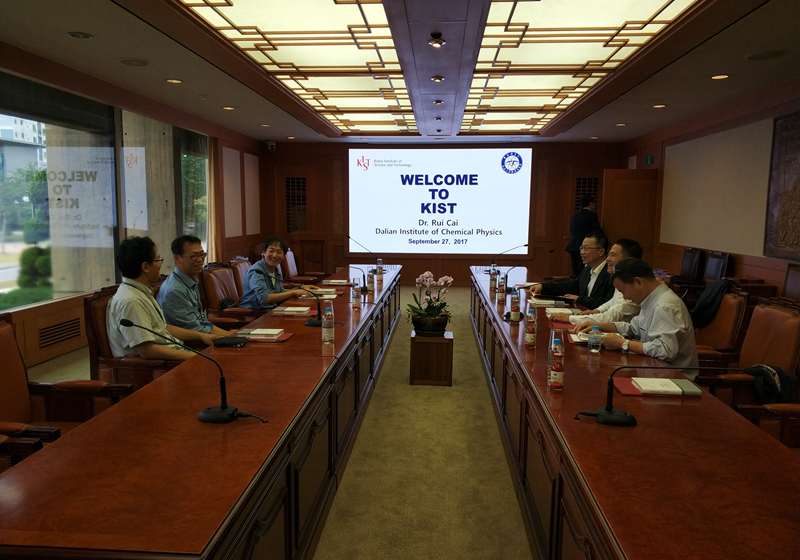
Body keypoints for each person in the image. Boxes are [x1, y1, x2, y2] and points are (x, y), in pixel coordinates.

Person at [106, 236, 220, 361]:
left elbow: (162, 328)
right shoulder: (131, 300)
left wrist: (201, 336)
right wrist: (199, 357)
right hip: (162, 364)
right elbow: (147, 351)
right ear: (145, 267)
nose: (161, 264)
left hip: (177, 351)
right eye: (158, 260)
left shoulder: (140, 291)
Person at [592, 258, 699, 377]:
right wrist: (598, 326)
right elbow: (632, 329)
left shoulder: (665, 306)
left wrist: (623, 343)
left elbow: (666, 351)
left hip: (674, 378)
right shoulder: (649, 299)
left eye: (623, 291)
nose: (625, 297)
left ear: (639, 282)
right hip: (653, 370)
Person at [550, 238, 642, 328]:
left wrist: (570, 318)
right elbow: (612, 302)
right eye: (609, 255)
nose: (607, 259)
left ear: (629, 260)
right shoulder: (622, 279)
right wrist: (597, 310)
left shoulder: (634, 286)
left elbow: (609, 317)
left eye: (612, 255)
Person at [156, 235, 234, 336]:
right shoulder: (175, 290)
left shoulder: (190, 280)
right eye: (194, 256)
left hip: (201, 337)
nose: (200, 260)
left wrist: (229, 334)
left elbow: (202, 323)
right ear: (177, 258)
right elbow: (195, 329)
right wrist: (228, 335)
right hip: (188, 342)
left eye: (202, 255)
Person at [531, 231, 614, 310]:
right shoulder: (587, 270)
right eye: (581, 248)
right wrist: (543, 287)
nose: (582, 252)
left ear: (601, 252)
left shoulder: (611, 273)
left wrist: (579, 299)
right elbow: (571, 286)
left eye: (586, 248)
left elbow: (606, 303)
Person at [239, 235, 317, 310]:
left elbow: (280, 292)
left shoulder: (274, 270)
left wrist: (300, 289)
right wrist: (293, 292)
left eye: (279, 252)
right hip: (255, 313)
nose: (274, 255)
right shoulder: (257, 271)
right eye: (271, 251)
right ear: (264, 253)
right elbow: (265, 299)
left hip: (271, 309)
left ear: (284, 256)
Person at [566, 194, 603, 277]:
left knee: (575, 271)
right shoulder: (591, 215)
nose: (594, 206)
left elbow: (572, 231)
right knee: (582, 270)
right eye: (594, 204)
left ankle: (574, 283)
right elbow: (597, 230)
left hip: (572, 245)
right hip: (585, 245)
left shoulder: (574, 216)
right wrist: (604, 240)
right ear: (590, 203)